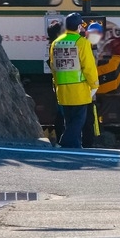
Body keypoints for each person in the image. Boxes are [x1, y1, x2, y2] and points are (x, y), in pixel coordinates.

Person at [48, 12, 99, 148]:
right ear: (78, 27)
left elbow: (53, 66)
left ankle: (74, 146)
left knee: (69, 120)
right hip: (79, 90)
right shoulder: (81, 42)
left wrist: (56, 84)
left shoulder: (56, 43)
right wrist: (94, 84)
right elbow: (88, 67)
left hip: (62, 90)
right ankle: (66, 142)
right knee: (78, 120)